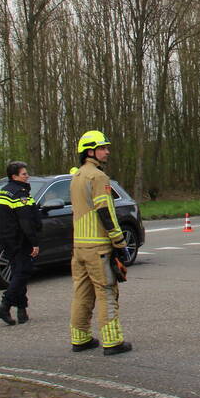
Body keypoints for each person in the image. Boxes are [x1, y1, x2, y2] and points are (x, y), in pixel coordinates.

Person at [68, 130, 132, 355]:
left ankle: (80, 337)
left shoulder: (76, 176)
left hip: (79, 247)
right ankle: (112, 341)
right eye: (103, 148)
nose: (107, 152)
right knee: (106, 291)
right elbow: (106, 212)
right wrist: (119, 242)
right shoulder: (98, 177)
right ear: (90, 151)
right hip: (98, 248)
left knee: (82, 292)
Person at [0, 161, 41, 326]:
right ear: (14, 176)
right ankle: (4, 306)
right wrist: (34, 242)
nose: (27, 176)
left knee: (18, 273)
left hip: (7, 239)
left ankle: (22, 311)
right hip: (21, 240)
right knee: (22, 273)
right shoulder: (20, 193)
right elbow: (26, 220)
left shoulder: (1, 193)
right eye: (24, 174)